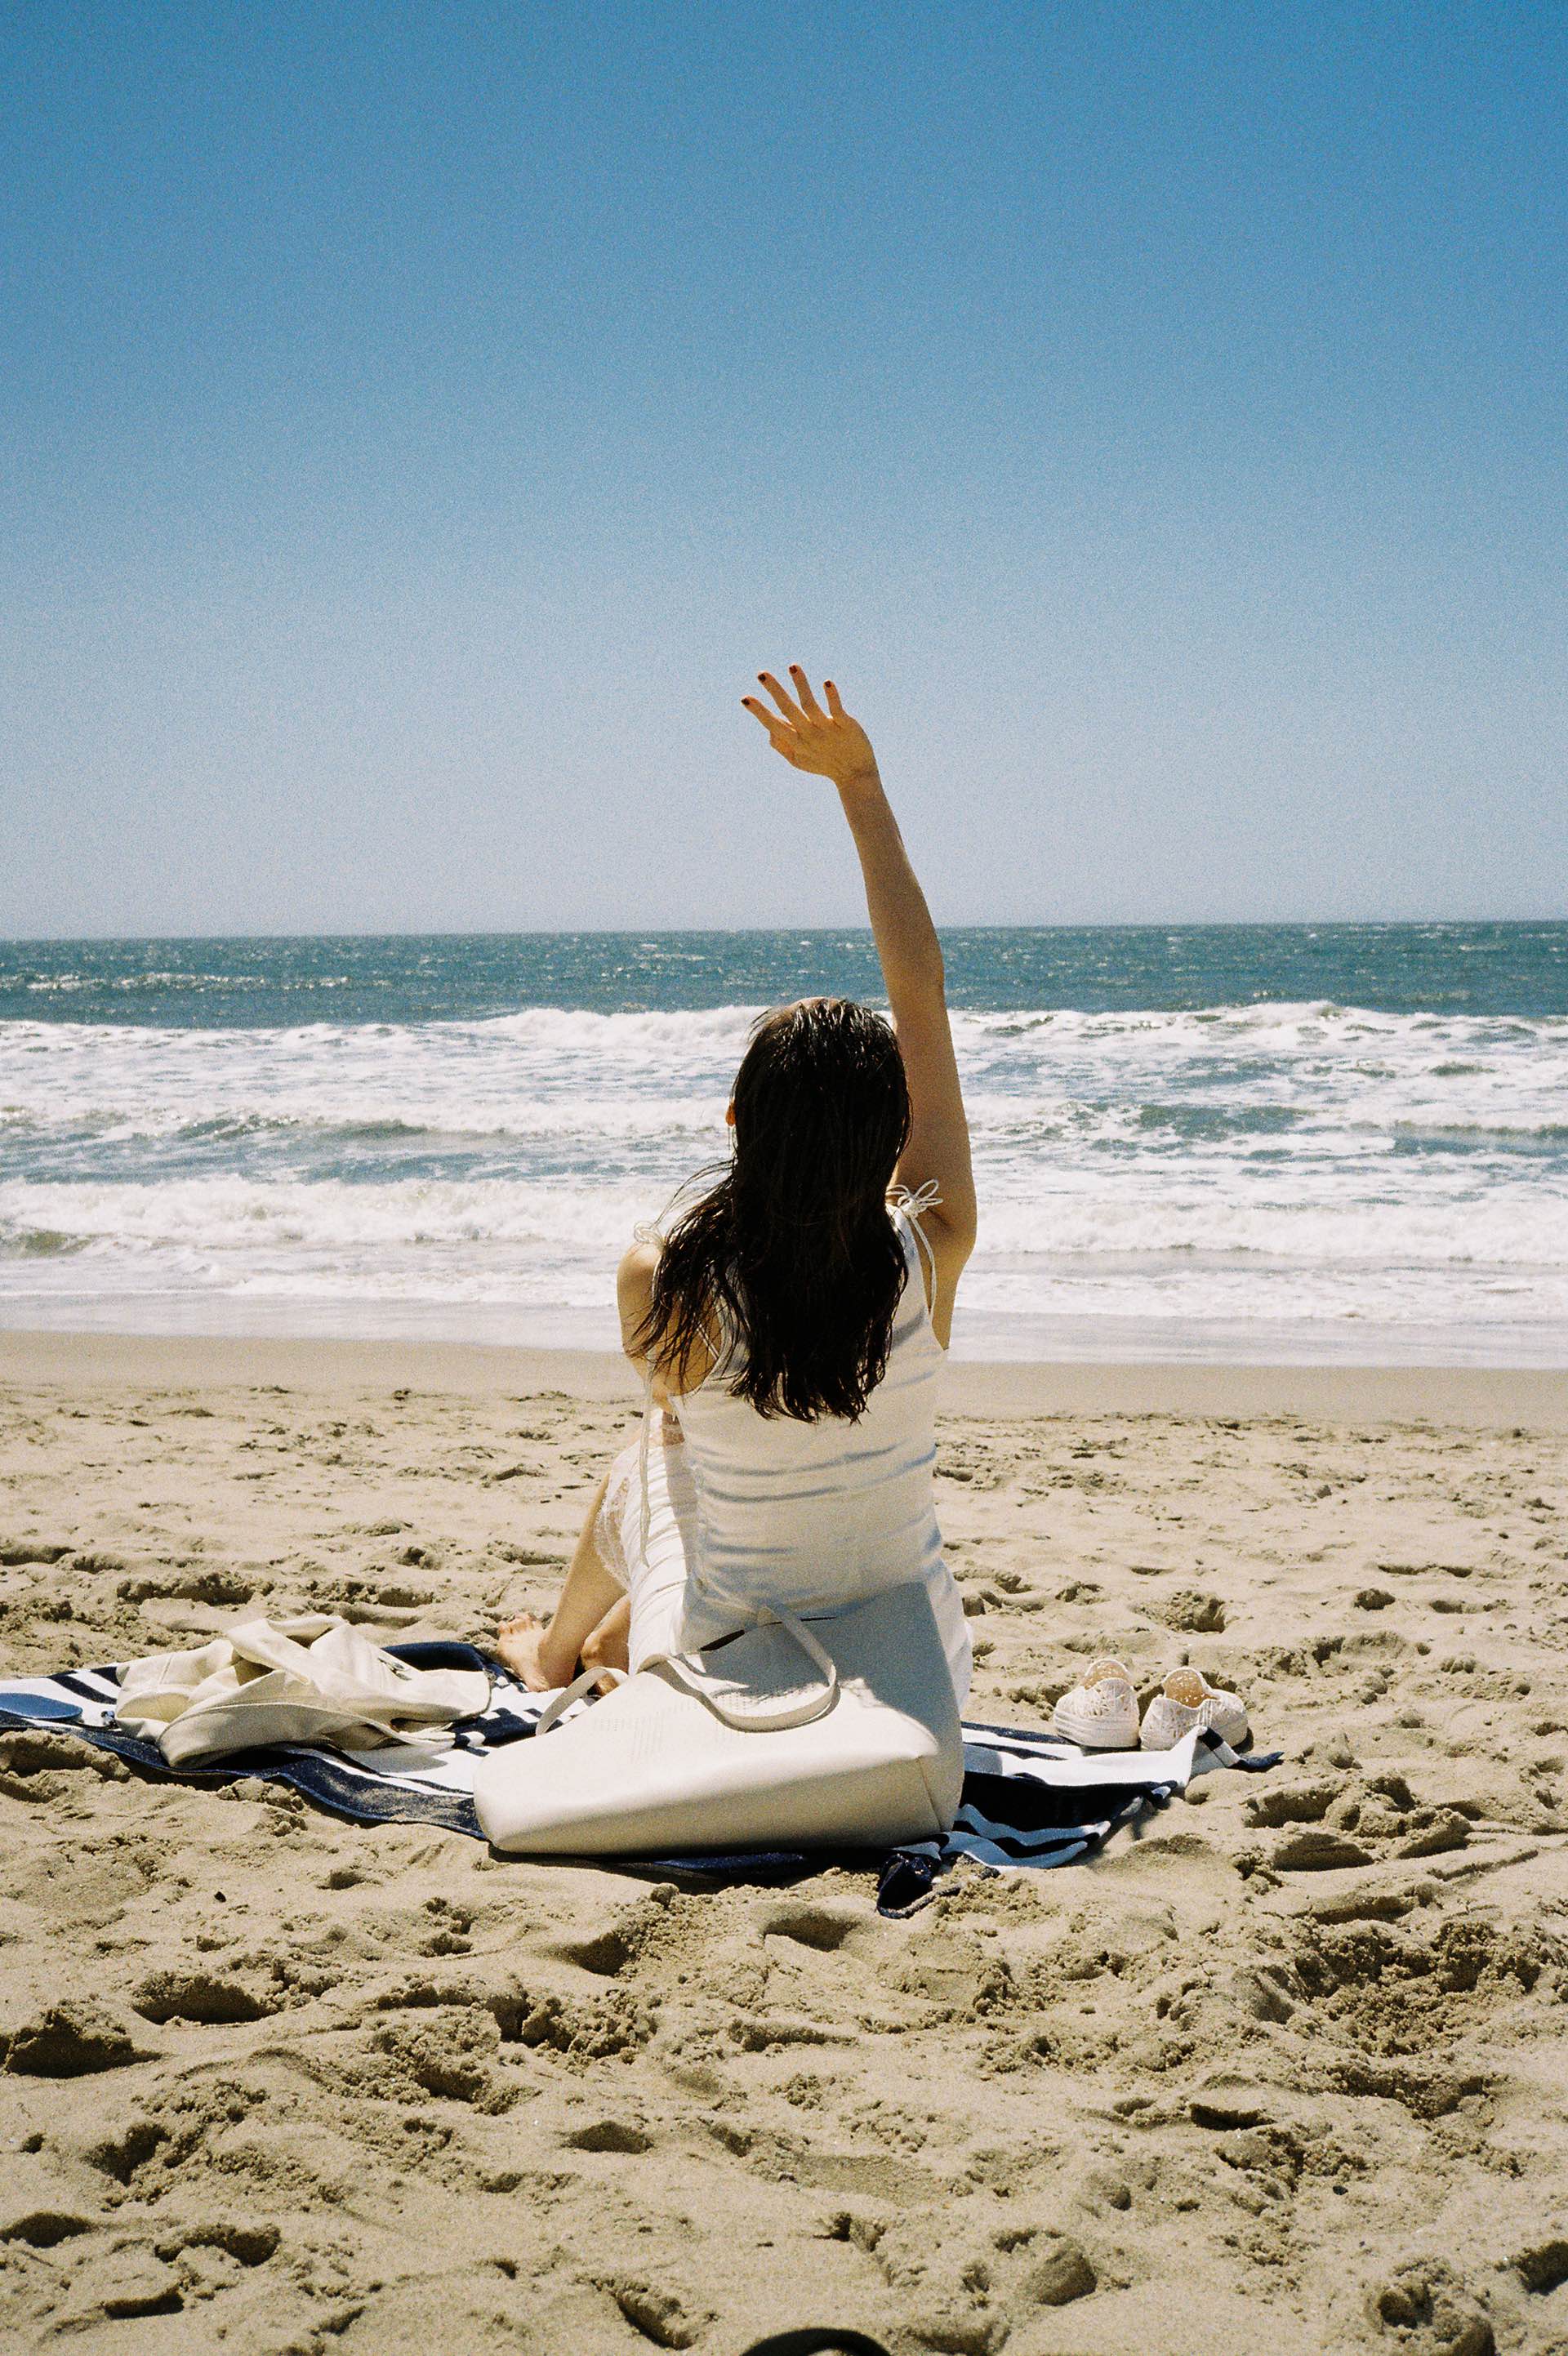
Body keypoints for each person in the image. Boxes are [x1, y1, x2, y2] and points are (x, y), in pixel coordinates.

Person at [496, 666, 976, 1708]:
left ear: (733, 1123)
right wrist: (862, 786)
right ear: (895, 1136)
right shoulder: (932, 1238)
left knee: (655, 1448)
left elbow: (678, 1417)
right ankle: (593, 1643)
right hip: (919, 1657)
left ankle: (550, 1653)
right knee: (706, 1453)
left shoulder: (662, 1274)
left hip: (726, 1655)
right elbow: (921, 995)